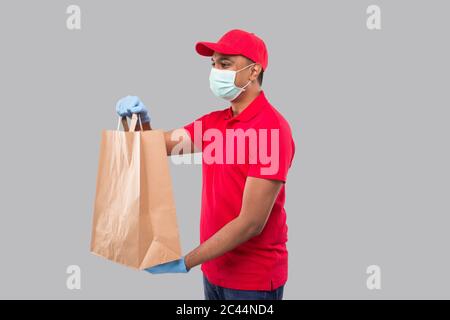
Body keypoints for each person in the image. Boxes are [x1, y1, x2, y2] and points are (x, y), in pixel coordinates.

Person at [116, 29, 295, 300]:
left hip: (252, 281)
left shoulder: (272, 130)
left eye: (225, 64)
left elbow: (251, 223)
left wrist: (186, 261)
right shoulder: (216, 124)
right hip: (214, 272)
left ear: (253, 71)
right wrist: (138, 120)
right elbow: (153, 147)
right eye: (213, 64)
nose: (215, 72)